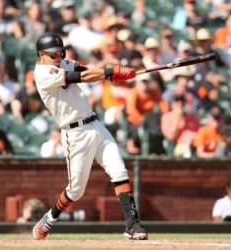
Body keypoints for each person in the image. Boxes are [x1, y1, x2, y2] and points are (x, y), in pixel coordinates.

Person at [32, 33, 147, 240]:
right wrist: (111, 72)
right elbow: (81, 77)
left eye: (60, 53)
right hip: (74, 133)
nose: (58, 57)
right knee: (76, 191)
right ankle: (51, 216)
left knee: (119, 170)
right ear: (41, 55)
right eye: (53, 55)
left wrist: (115, 74)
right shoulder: (42, 74)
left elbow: (86, 70)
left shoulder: (64, 63)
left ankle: (133, 225)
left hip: (95, 124)